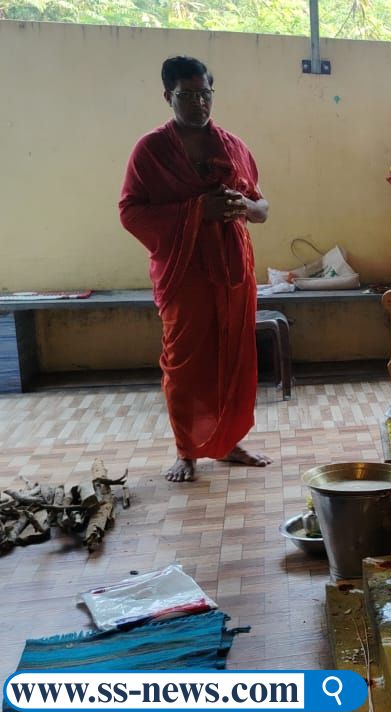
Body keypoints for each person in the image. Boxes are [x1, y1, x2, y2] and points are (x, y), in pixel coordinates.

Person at [119, 56, 272, 483]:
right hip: (184, 271)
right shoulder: (151, 151)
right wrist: (197, 211)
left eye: (205, 94)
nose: (199, 103)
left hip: (232, 269)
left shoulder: (233, 146)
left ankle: (229, 442)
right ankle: (186, 451)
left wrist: (243, 206)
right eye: (187, 95)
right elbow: (131, 212)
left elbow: (262, 207)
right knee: (185, 362)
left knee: (233, 356)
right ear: (167, 96)